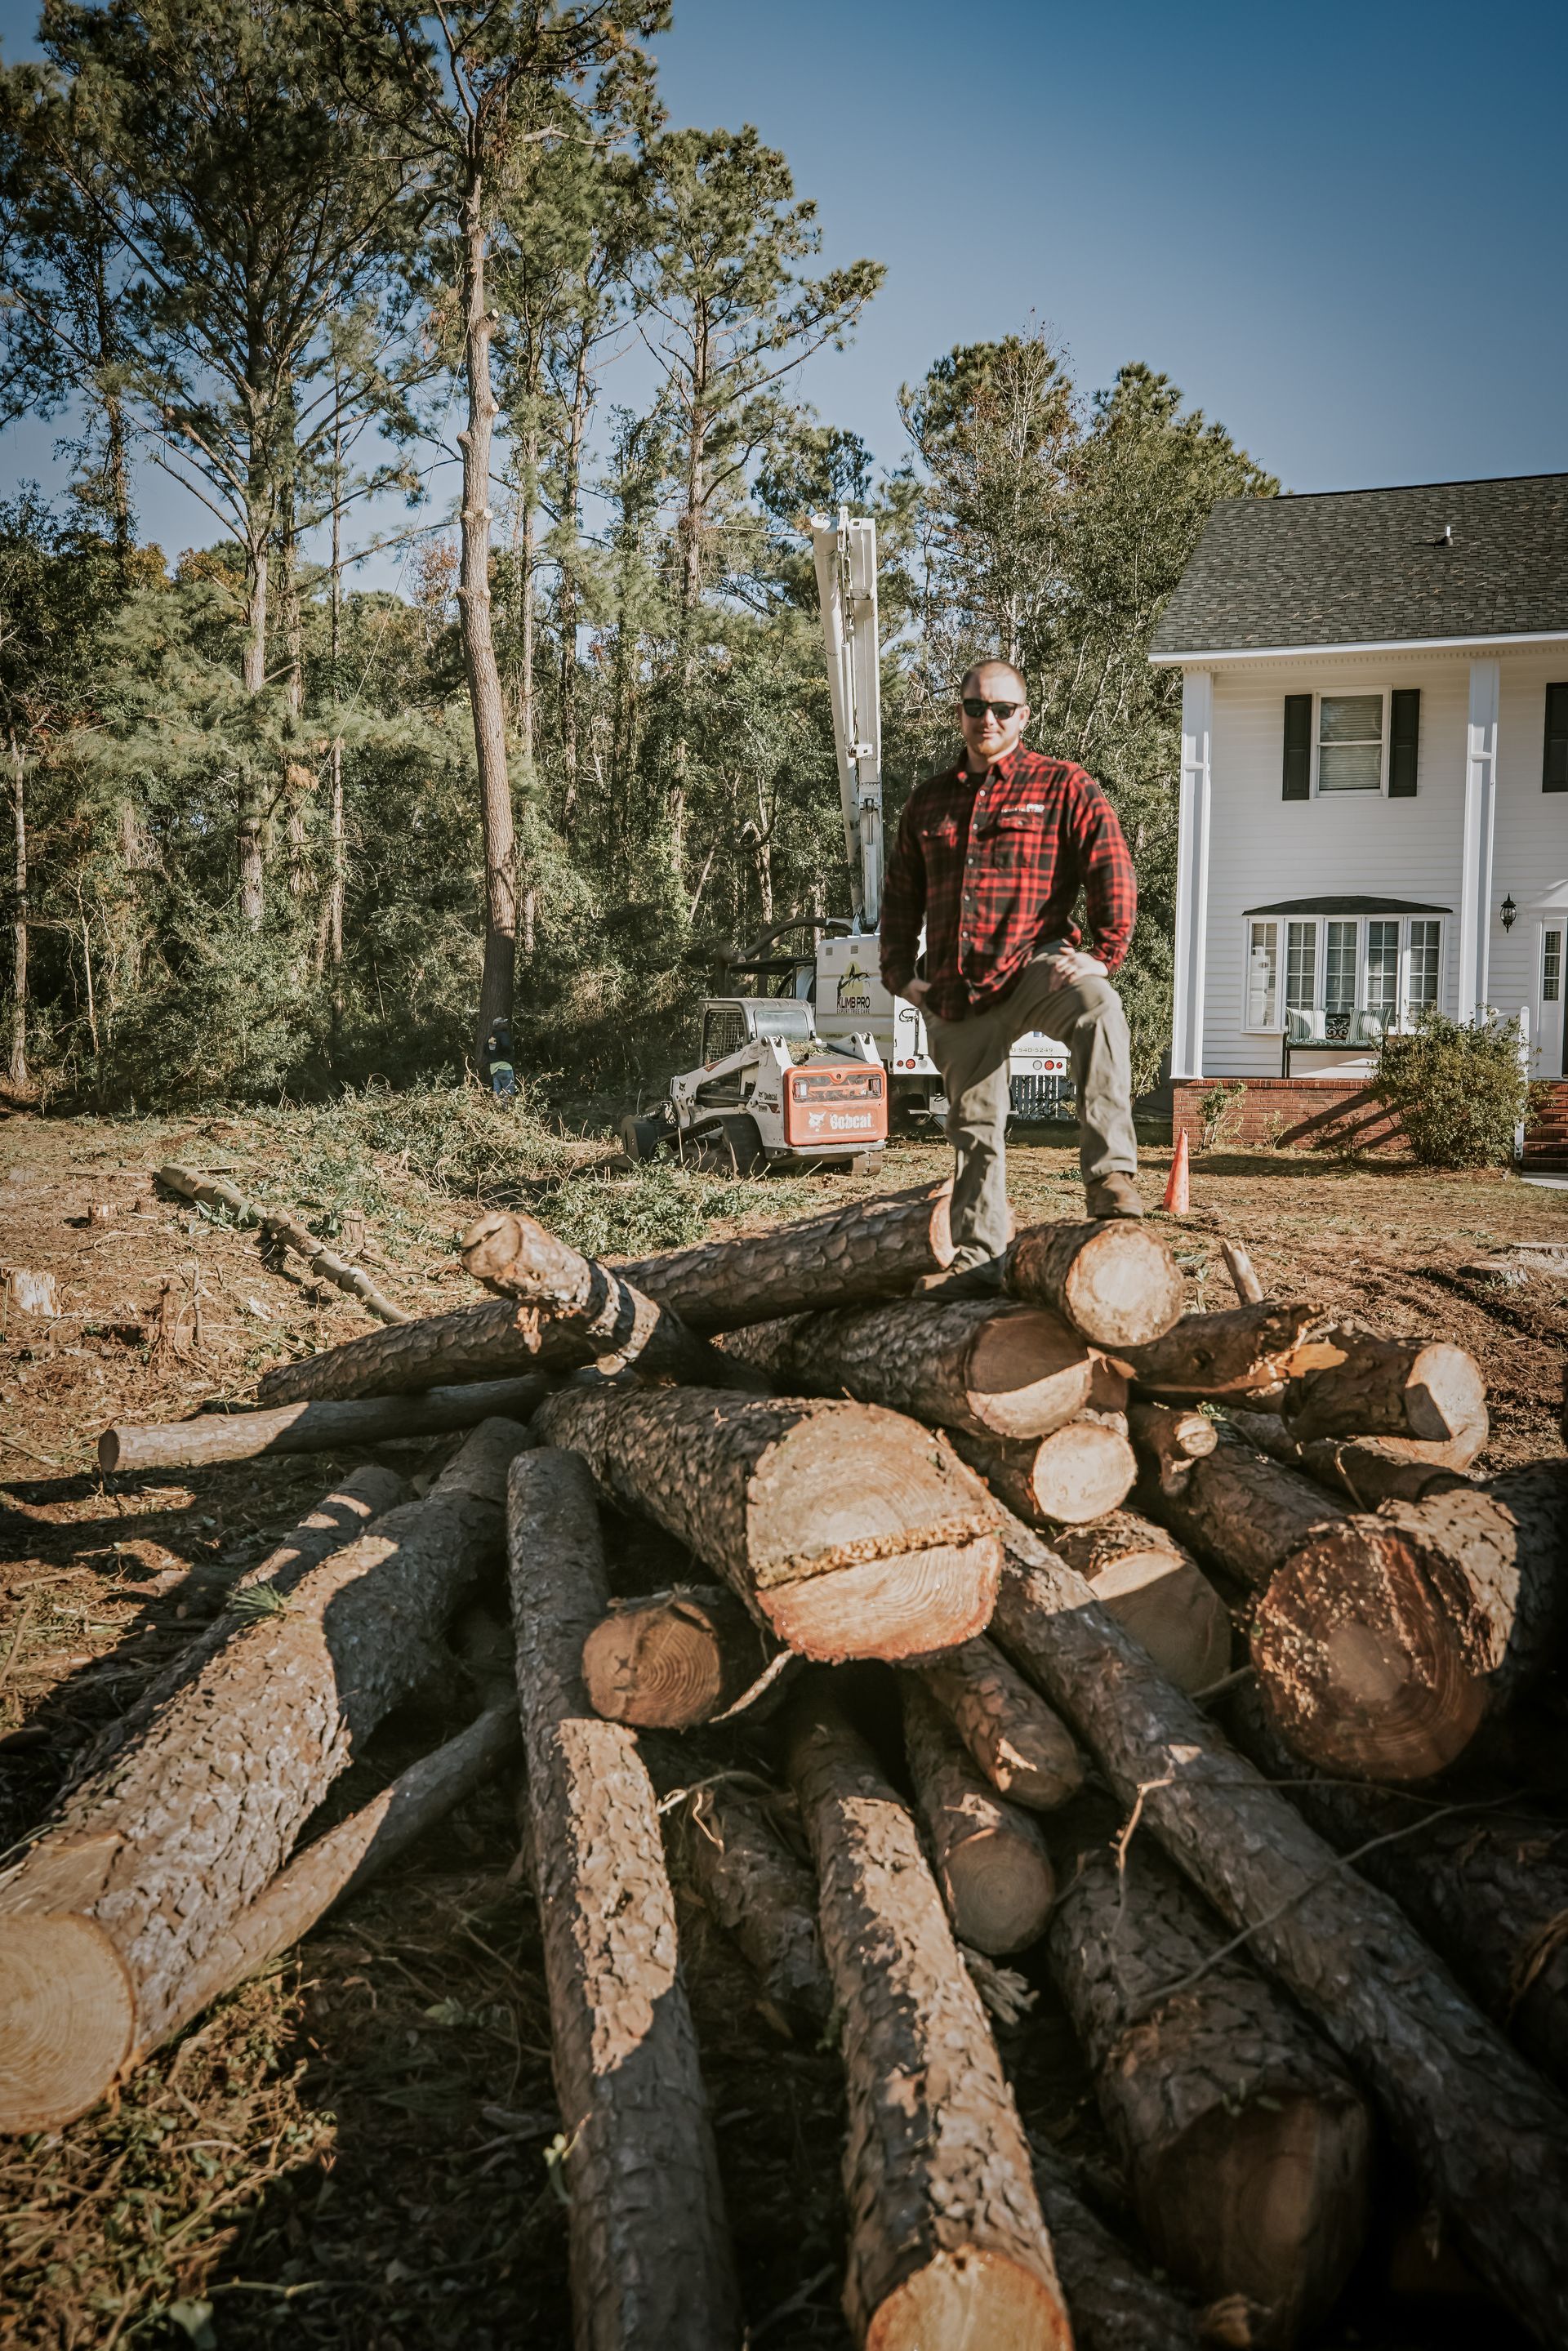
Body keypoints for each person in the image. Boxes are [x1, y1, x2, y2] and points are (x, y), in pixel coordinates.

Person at [880, 657, 1143, 1278]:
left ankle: (1110, 1177)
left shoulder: (1063, 786)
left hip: (1036, 969)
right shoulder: (928, 803)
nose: (987, 719)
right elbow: (898, 897)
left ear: (1024, 716)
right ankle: (978, 1263)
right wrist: (899, 975)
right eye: (975, 707)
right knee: (975, 1129)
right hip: (956, 989)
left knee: (1098, 1009)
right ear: (960, 714)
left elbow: (1113, 867)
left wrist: (1103, 955)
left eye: (1002, 709)